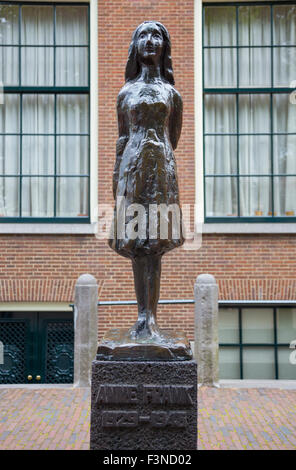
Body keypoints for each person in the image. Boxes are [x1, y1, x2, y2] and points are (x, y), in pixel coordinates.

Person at [109, 21, 184, 340]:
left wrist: (157, 161)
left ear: (164, 47)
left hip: (161, 169)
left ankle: (150, 318)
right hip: (131, 170)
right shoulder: (125, 93)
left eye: (157, 36)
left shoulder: (172, 94)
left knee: (154, 246)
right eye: (143, 35)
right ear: (135, 46)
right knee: (138, 245)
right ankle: (142, 317)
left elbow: (174, 137)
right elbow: (122, 138)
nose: (150, 41)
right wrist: (117, 181)